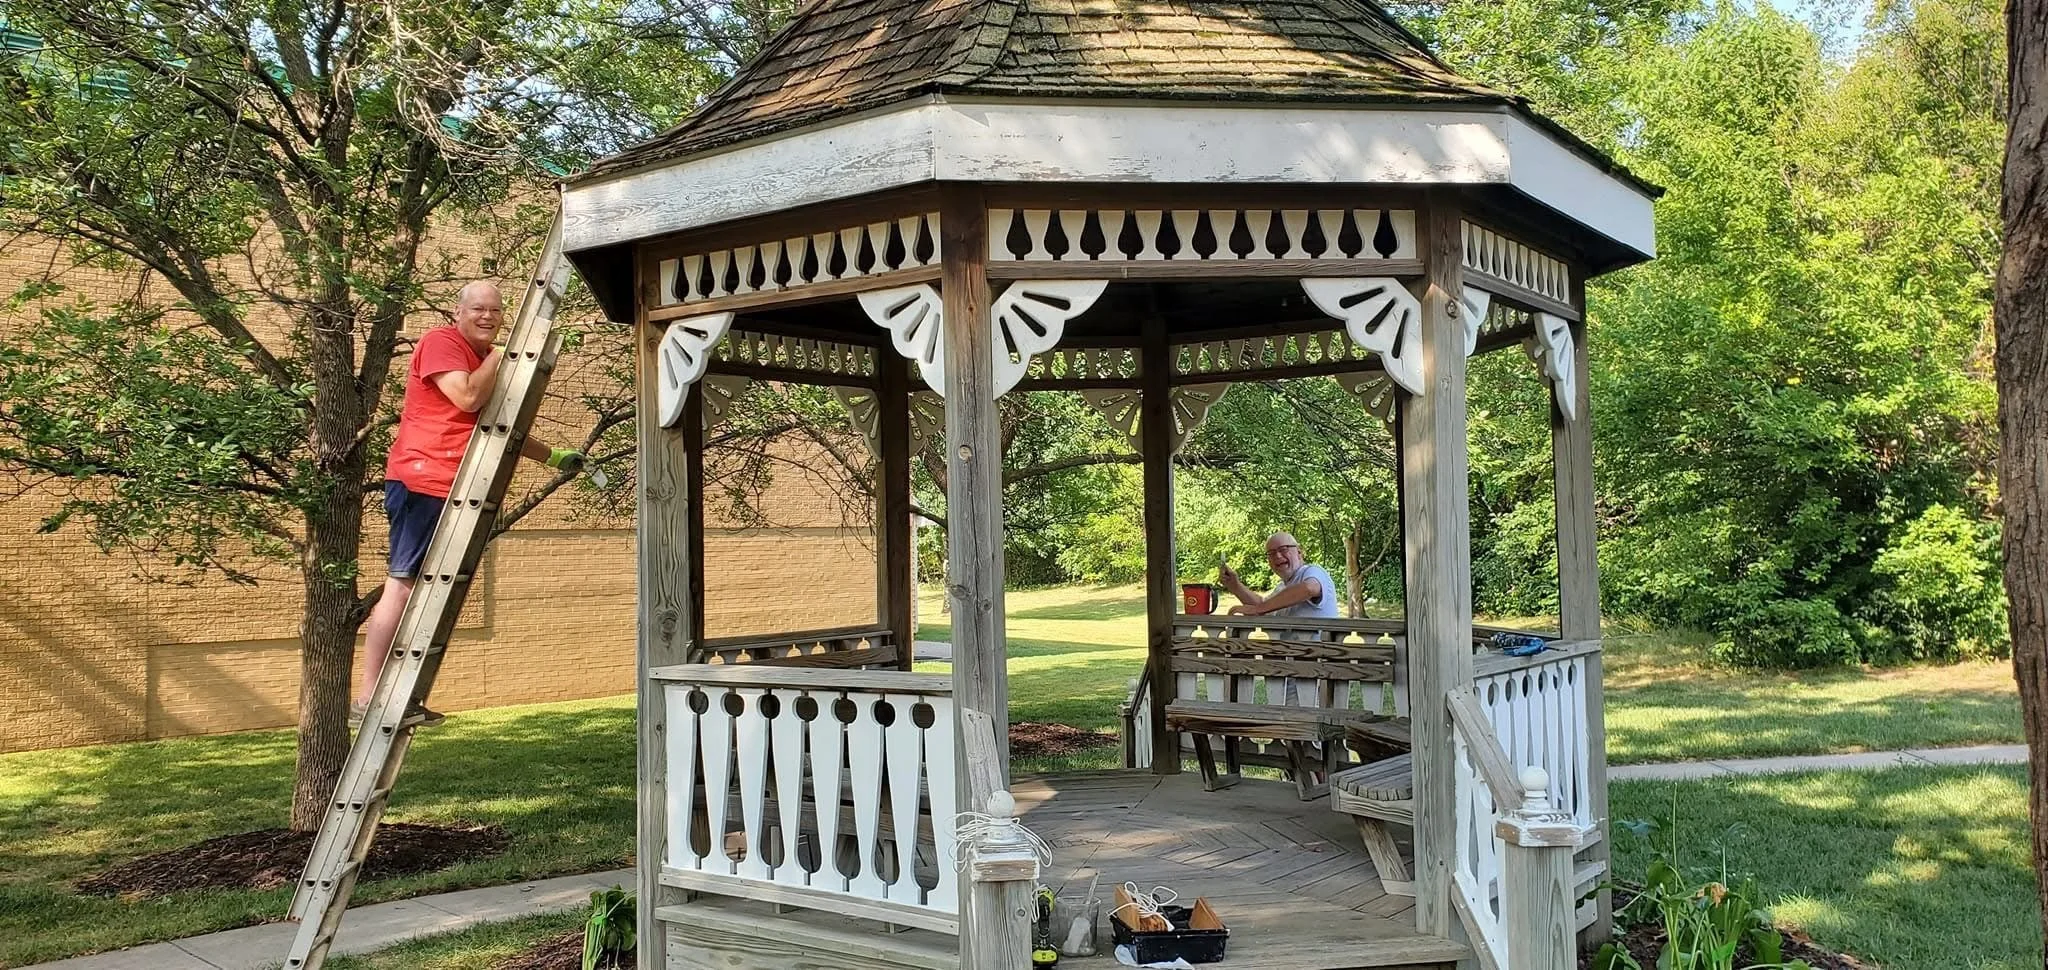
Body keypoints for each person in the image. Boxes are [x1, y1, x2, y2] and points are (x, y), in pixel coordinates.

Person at [353, 280, 585, 725]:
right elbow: (466, 396)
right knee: (401, 585)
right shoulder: (441, 343)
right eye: (478, 309)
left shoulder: (482, 359)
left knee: (428, 589)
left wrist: (554, 456)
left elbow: (499, 427)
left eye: (496, 311)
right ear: (458, 313)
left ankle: (403, 695)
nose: (488, 317)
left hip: (455, 486)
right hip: (423, 480)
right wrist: (505, 355)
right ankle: (367, 697)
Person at [1218, 532, 1340, 619]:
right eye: (1271, 553)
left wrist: (1258, 609)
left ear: (1299, 552)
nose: (1278, 556)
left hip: (1317, 654)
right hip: (1288, 653)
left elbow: (1309, 588)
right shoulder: (1282, 588)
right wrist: (1235, 586)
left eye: (1283, 549)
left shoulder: (1313, 571)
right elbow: (1262, 606)